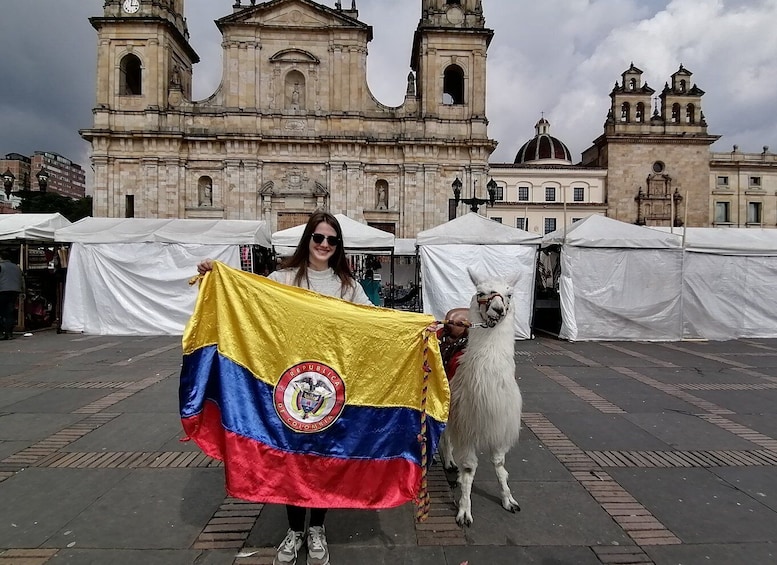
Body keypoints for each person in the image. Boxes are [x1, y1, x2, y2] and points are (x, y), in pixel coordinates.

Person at [197, 210, 371, 565]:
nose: (324, 244)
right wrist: (219, 276)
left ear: (339, 246)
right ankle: (294, 530)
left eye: (331, 240)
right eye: (318, 237)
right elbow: (249, 297)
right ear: (307, 239)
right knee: (291, 459)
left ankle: (317, 528)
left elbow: (374, 321)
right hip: (289, 385)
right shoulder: (282, 277)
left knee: (323, 458)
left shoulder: (348, 286)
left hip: (332, 388)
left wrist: (419, 329)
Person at [0, 250, 24, 340]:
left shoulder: (1, 266)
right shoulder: (17, 267)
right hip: (14, 291)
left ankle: (1, 333)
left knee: (1, 313)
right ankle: (9, 333)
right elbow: (22, 280)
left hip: (2, 291)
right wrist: (22, 291)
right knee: (9, 312)